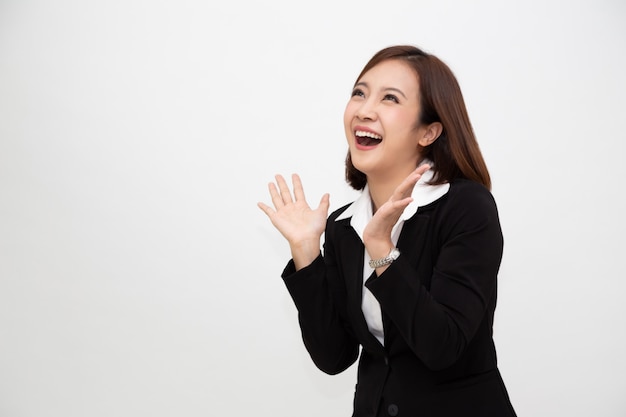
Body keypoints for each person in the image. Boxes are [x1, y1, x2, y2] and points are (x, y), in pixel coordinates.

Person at [258, 45, 517, 417]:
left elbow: (442, 346)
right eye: (359, 93)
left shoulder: (466, 207)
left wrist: (381, 249)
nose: (365, 109)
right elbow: (333, 357)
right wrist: (306, 253)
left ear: (428, 132)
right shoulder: (343, 226)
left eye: (390, 99)